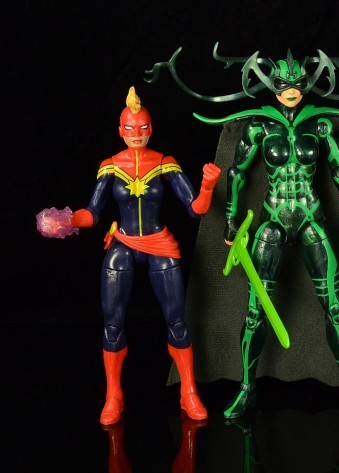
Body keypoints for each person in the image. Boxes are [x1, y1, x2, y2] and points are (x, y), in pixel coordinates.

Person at [145, 43, 339, 428]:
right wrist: (231, 219)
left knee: (335, 308)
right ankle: (247, 388)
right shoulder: (259, 127)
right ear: (272, 86)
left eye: (297, 84)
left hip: (311, 218)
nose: (291, 90)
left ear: (306, 85)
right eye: (284, 84)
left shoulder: (319, 126)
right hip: (272, 219)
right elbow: (238, 173)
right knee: (255, 310)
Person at [37, 87, 221, 425]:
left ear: (151, 128)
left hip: (159, 242)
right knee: (112, 323)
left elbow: (196, 209)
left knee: (177, 321)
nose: (136, 134)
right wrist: (70, 220)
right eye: (130, 128)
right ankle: (113, 395)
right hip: (123, 241)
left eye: (143, 127)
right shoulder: (110, 166)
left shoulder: (165, 163)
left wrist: (208, 186)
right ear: (120, 130)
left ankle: (189, 391)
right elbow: (93, 213)